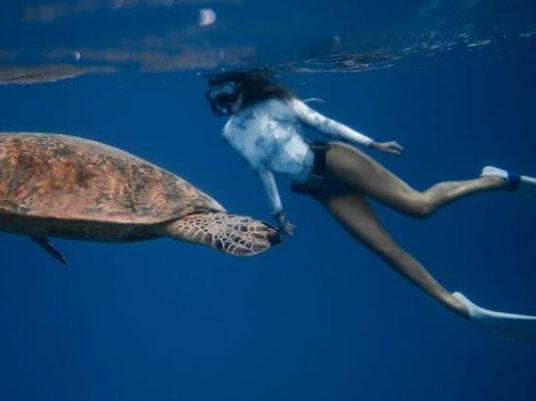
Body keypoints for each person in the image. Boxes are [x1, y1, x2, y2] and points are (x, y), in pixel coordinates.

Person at [205, 69, 536, 341]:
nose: (221, 101)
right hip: (319, 190)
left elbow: (323, 123)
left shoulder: (274, 103)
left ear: (241, 87)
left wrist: (372, 144)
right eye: (215, 96)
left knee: (419, 206)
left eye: (226, 92)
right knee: (385, 249)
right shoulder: (230, 135)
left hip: (333, 160)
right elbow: (260, 170)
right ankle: (454, 305)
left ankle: (493, 180)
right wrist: (279, 215)